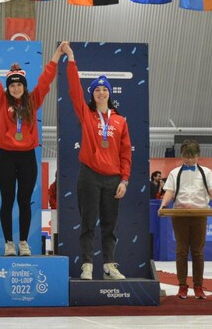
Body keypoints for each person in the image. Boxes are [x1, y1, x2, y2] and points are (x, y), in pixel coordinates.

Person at [0, 41, 65, 256]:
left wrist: (56, 55)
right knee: (7, 200)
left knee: (24, 201)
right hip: (6, 157)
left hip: (27, 158)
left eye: (19, 85)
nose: (16, 88)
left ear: (24, 86)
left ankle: (23, 242)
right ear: (8, 88)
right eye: (12, 85)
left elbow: (45, 81)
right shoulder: (1, 100)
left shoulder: (33, 102)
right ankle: (8, 243)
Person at [62, 43, 132, 280]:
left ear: (110, 93)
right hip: (89, 176)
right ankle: (88, 264)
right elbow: (73, 90)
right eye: (97, 89)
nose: (101, 92)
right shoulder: (87, 115)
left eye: (104, 89)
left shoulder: (120, 121)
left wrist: (124, 180)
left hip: (113, 179)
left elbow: (125, 153)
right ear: (92, 94)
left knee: (110, 225)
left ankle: (110, 264)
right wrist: (71, 58)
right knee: (88, 222)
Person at [158, 140, 212, 300]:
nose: (189, 160)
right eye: (186, 157)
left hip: (199, 214)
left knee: (197, 252)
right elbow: (169, 191)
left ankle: (198, 286)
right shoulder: (175, 173)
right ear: (182, 156)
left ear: (198, 156)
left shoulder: (206, 172)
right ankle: (182, 286)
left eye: (192, 157)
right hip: (180, 215)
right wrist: (163, 205)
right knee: (181, 251)